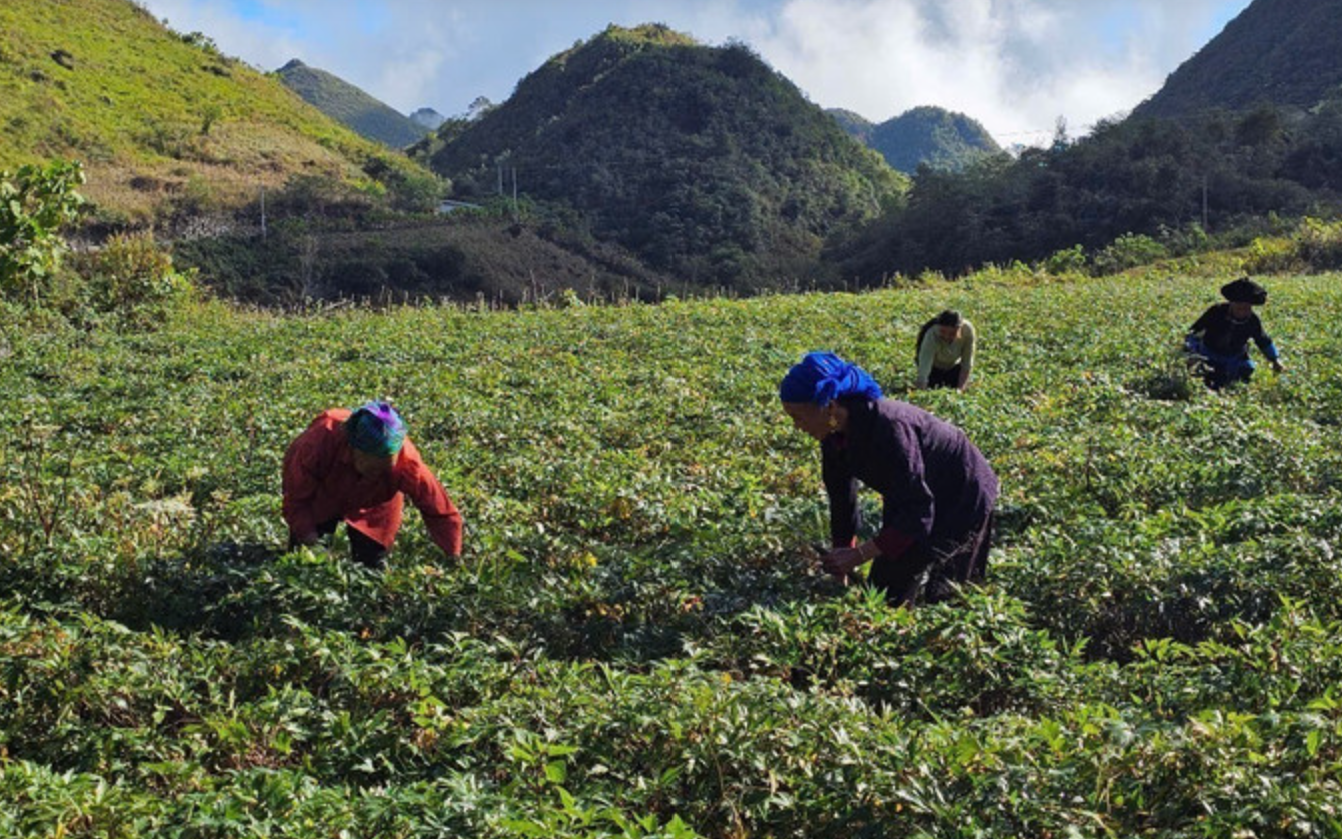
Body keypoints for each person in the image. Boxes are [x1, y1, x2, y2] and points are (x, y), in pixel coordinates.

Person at [780, 351, 998, 606]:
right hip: (912, 495)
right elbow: (842, 499)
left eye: (798, 416)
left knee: (948, 593)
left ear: (829, 406)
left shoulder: (889, 429)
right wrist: (842, 558)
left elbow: (917, 513)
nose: (796, 426)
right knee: (885, 594)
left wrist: (860, 554)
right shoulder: (833, 436)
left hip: (963, 492)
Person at [281, 401, 463, 569]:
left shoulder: (407, 463)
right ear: (354, 450)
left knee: (372, 567)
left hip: (376, 504)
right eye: (373, 466)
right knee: (304, 565)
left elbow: (440, 510)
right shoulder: (319, 442)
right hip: (323, 494)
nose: (377, 472)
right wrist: (312, 542)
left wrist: (453, 557)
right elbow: (296, 498)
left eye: (385, 467)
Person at [1185, 277, 1284, 390]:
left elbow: (1262, 340)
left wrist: (1275, 360)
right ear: (1231, 303)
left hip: (1235, 358)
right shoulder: (1216, 311)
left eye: (1246, 308)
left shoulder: (1252, 320)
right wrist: (1191, 353)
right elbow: (1193, 332)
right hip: (1209, 355)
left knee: (1246, 372)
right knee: (1211, 379)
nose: (1242, 312)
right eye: (1239, 307)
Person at [915, 309, 976, 390]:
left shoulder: (967, 331)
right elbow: (925, 365)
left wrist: (960, 389)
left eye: (952, 334)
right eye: (943, 332)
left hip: (954, 368)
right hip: (934, 369)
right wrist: (921, 387)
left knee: (957, 385)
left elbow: (967, 362)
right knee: (933, 386)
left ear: (959, 329)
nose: (946, 337)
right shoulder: (932, 334)